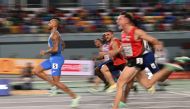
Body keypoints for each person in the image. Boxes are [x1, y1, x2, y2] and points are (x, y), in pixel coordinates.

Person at [112, 12, 184, 109]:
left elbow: (153, 40)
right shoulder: (122, 33)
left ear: (126, 20)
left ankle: (116, 107)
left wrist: (157, 45)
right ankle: (167, 68)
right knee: (147, 85)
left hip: (137, 60)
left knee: (120, 84)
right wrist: (123, 52)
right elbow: (127, 47)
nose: (117, 21)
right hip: (133, 60)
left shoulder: (137, 31)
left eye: (119, 19)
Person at [33, 18, 80, 108]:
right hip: (53, 58)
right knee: (36, 71)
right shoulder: (55, 34)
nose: (48, 23)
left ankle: (75, 97)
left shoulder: (54, 34)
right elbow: (63, 45)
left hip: (56, 59)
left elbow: (55, 49)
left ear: (54, 24)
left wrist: (45, 52)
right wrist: (59, 48)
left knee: (57, 82)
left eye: (50, 22)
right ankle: (53, 86)